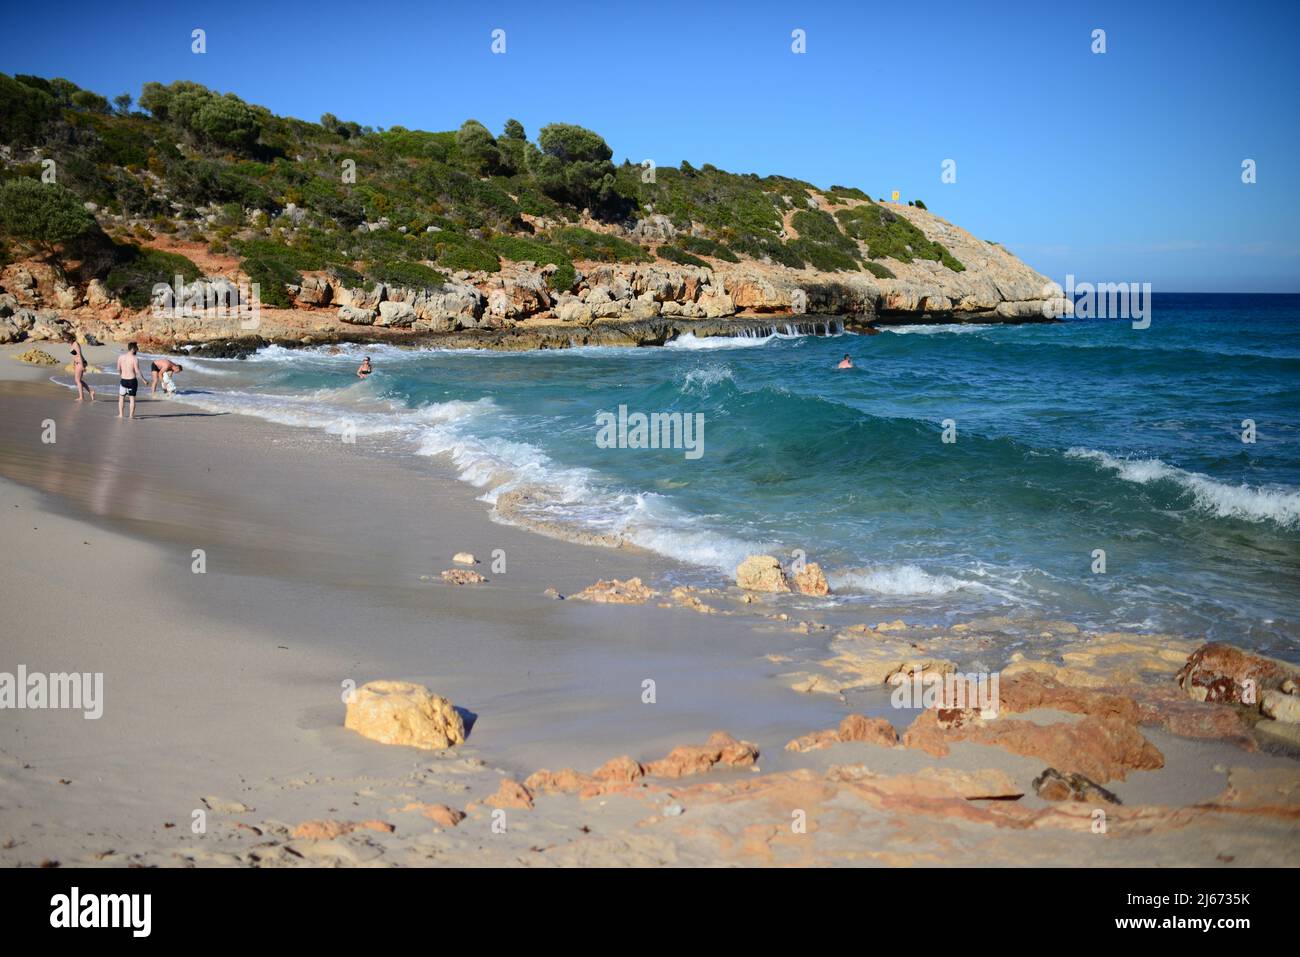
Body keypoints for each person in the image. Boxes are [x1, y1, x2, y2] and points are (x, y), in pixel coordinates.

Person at [116, 342, 142, 419]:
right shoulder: (135, 358)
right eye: (136, 348)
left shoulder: (120, 357)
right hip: (132, 381)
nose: (137, 349)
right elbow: (137, 371)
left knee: (121, 398)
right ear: (133, 349)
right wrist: (143, 379)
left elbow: (118, 369)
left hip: (123, 380)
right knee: (132, 399)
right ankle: (131, 416)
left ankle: (121, 415)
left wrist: (121, 375)